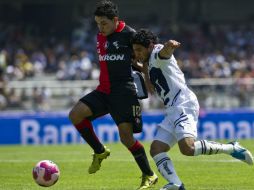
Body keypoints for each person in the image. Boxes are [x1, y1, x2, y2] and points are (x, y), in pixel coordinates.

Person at [131, 29, 254, 190]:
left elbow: (164, 52)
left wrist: (169, 46)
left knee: (187, 148)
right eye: (135, 51)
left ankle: (231, 148)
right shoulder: (149, 62)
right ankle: (176, 184)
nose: (137, 54)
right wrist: (143, 68)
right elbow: (152, 90)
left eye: (139, 50)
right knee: (156, 149)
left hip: (183, 104)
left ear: (150, 46)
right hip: (171, 109)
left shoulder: (157, 52)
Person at [69, 1, 158, 189]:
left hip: (123, 93)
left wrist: (147, 76)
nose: (100, 27)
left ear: (115, 20)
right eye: (97, 23)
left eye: (104, 23)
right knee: (75, 114)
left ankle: (149, 175)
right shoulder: (100, 36)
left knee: (126, 137)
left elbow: (144, 57)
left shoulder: (130, 35)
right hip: (103, 90)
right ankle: (99, 151)